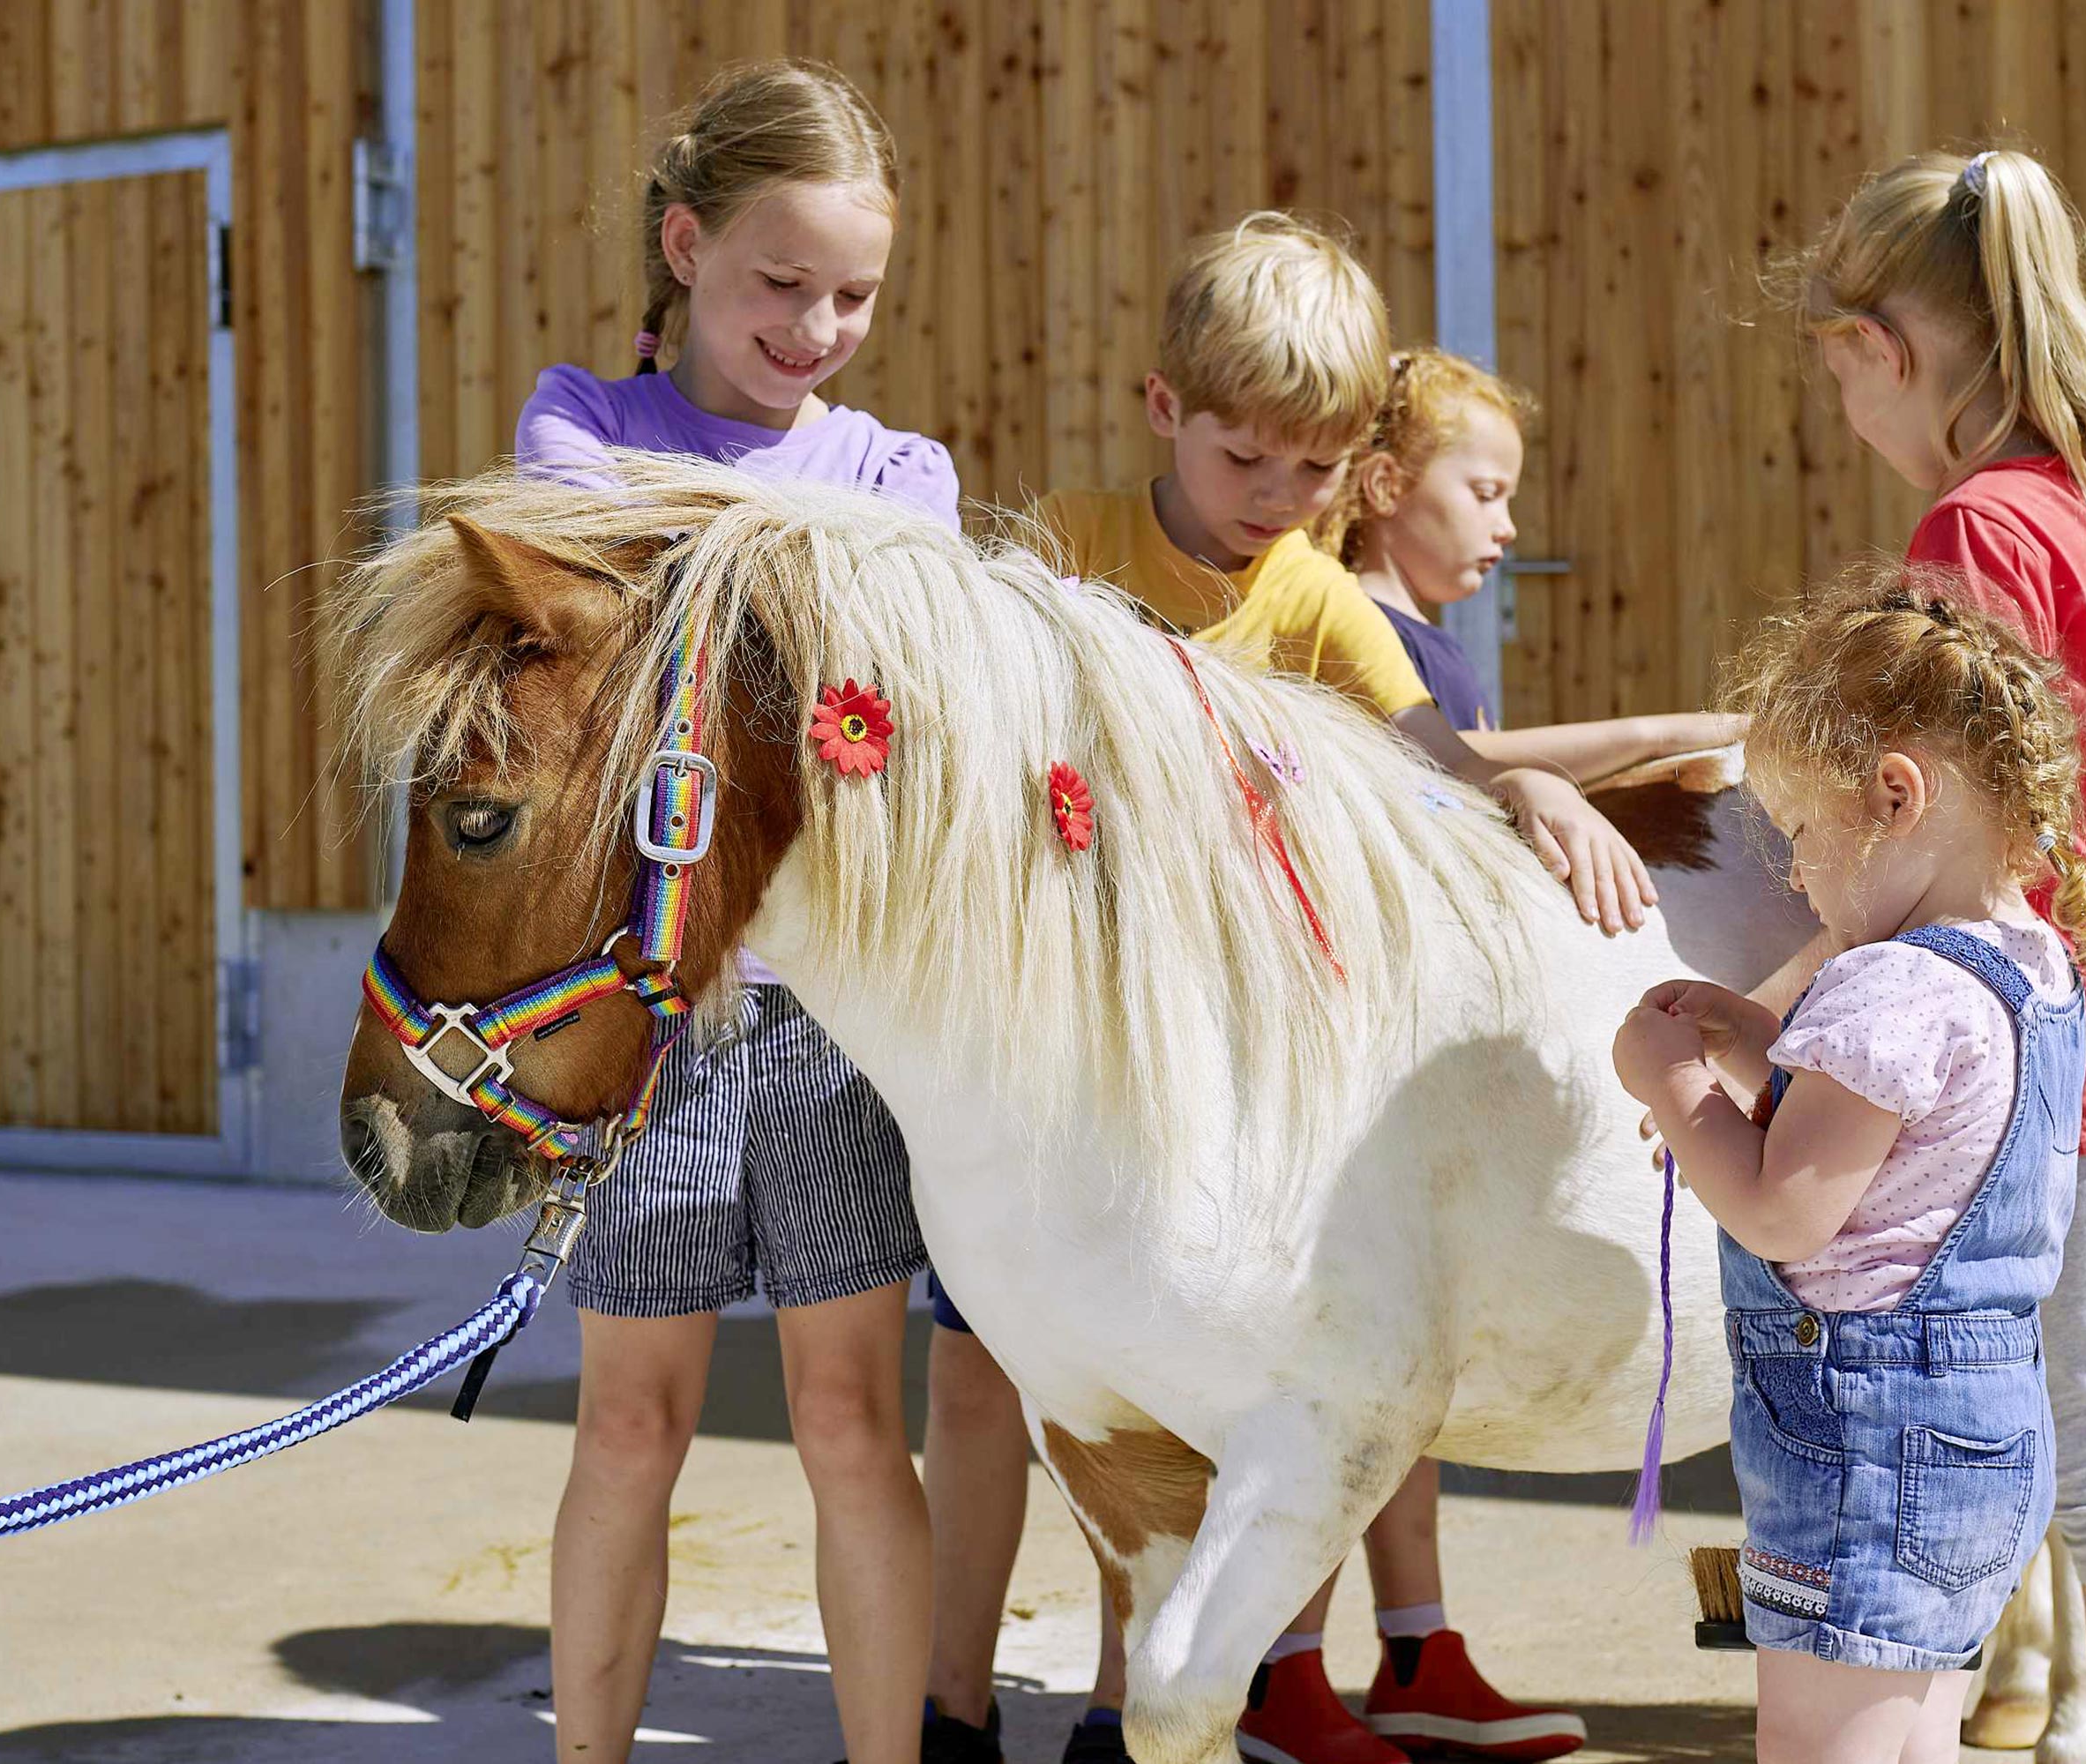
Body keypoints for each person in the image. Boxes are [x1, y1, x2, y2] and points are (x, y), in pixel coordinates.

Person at [921, 213, 1602, 1764]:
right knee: (986, 1384)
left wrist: (1529, 790)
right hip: (1037, 1063)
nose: (1280, 504)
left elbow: (1425, 738)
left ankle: (1125, 1704)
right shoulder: (1066, 544)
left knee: (1153, 1402)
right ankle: (947, 1712)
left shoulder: (1308, 592)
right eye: (1250, 462)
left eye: (1315, 472)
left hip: (1185, 1084)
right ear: (1165, 408)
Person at [1791, 146, 2086, 1763]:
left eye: (1834, 362)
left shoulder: (1975, 527)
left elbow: (1926, 825)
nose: (1837, 398)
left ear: (1886, 349)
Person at [514, 57, 947, 1764]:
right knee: (632, 1426)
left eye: (853, 293)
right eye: (781, 282)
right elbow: (600, 567)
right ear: (685, 245)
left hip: (840, 1022)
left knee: (853, 1419)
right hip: (652, 1013)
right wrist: (807, 565)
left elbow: (897, 652)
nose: (820, 326)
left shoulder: (899, 465)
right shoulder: (578, 421)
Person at [1617, 565, 2086, 1763]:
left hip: (1866, 1451)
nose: (1793, 874)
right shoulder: (2024, 957)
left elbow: (1787, 1210)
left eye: (1800, 832)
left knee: (1820, 1744)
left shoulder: (1887, 985)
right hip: (1980, 1438)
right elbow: (1907, 1153)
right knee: (1908, 1740)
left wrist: (1674, 1086)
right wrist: (1757, 1043)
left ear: (1895, 796)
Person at [1322, 346, 1742, 774]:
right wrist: (1653, 738)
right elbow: (1430, 755)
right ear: (1385, 485)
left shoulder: (1431, 639)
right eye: (1485, 495)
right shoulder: (1353, 628)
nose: (1507, 528)